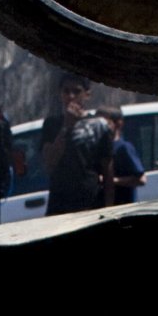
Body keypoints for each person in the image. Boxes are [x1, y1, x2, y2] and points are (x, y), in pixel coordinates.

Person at [40, 74, 115, 217]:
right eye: (66, 91)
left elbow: (108, 169)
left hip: (89, 203)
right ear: (60, 94)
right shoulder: (51, 124)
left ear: (86, 94)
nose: (71, 96)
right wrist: (66, 127)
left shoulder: (98, 126)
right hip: (59, 204)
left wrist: (108, 209)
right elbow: (50, 162)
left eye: (76, 91)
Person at [96, 109, 146, 206]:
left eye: (104, 123)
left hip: (121, 205)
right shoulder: (97, 148)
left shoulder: (123, 148)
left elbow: (141, 180)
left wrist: (110, 180)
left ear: (118, 124)